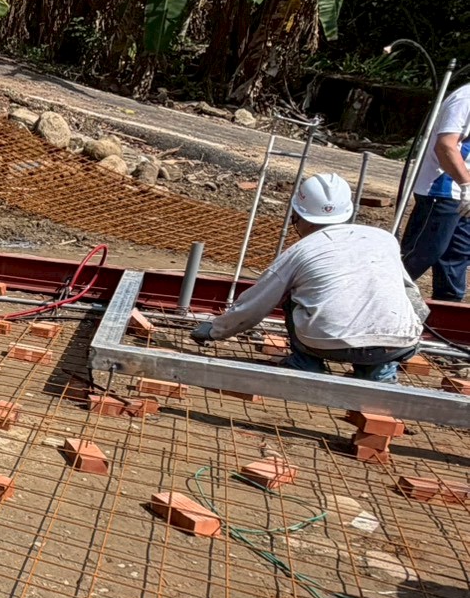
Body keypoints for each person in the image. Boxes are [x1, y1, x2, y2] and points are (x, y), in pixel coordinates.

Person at [193, 172, 426, 383]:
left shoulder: (301, 251)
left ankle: (306, 365)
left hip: (325, 343)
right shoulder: (384, 238)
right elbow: (413, 296)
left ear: (300, 216)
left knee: (292, 296)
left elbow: (256, 304)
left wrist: (215, 330)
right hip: (396, 344)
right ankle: (378, 373)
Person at [399, 82, 470, 299]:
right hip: (442, 190)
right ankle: (376, 295)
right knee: (423, 253)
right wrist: (466, 184)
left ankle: (448, 311)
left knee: (456, 258)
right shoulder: (466, 98)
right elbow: (445, 145)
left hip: (463, 194)